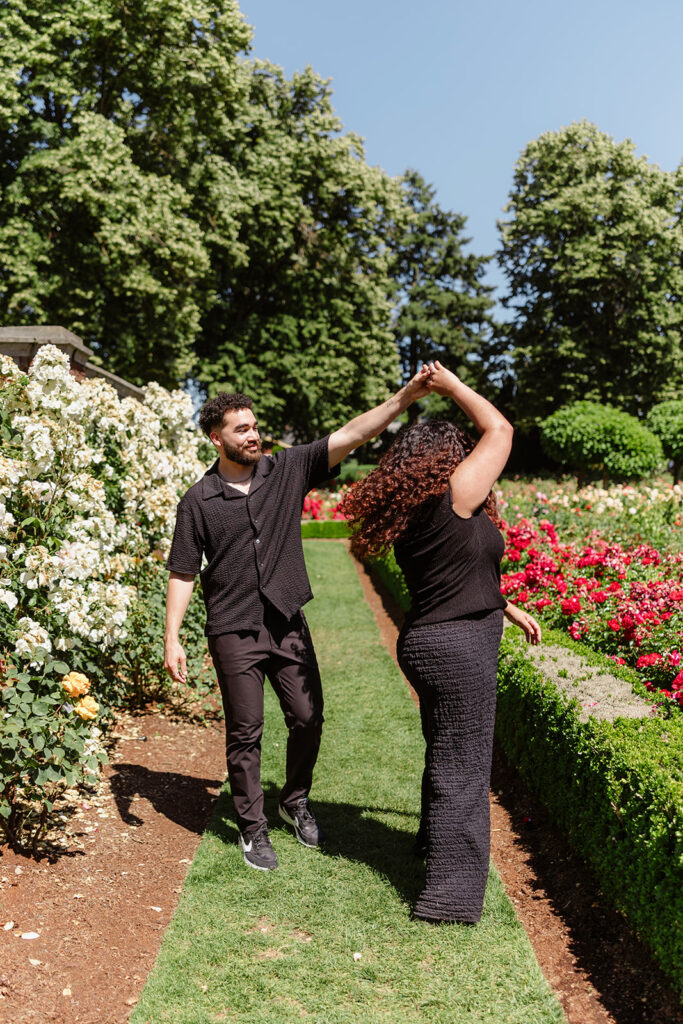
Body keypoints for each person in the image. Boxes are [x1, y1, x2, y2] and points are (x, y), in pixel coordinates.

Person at [164, 367, 432, 871]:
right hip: (233, 628)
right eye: (241, 429)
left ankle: (294, 800)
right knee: (246, 729)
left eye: (255, 425)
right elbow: (183, 572)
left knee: (308, 718)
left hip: (287, 622)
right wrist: (171, 638)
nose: (253, 434)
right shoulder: (198, 501)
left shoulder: (286, 470)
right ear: (215, 437)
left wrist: (406, 395)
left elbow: (353, 433)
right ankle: (252, 829)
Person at [342, 360, 540, 923]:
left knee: (448, 754)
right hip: (458, 649)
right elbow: (500, 430)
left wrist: (504, 604)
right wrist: (452, 388)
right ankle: (449, 900)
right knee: (466, 768)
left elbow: (454, 574)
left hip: (430, 641)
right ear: (450, 460)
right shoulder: (455, 494)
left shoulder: (417, 510)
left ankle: (433, 848)